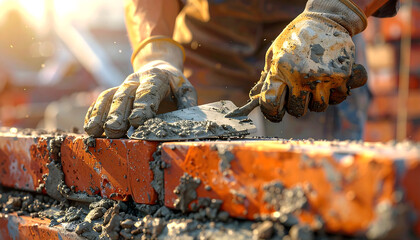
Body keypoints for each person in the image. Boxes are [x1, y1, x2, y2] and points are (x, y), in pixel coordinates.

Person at [84, 0, 399, 140]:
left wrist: (336, 13)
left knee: (315, 202)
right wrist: (157, 54)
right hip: (207, 58)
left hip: (315, 49)